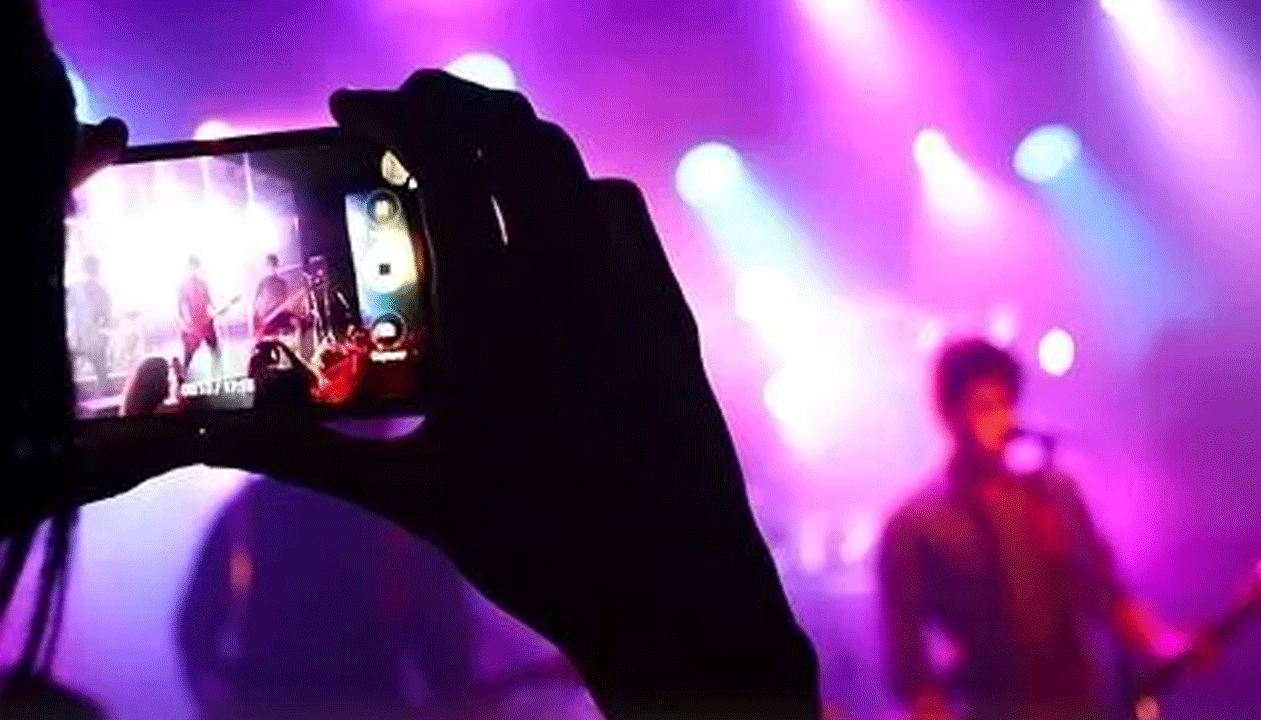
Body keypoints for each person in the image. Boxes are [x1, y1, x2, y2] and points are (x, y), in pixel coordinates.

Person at [10, 5, 821, 720]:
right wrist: (708, 666)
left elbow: (433, 656)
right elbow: (202, 631)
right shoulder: (263, 520)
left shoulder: (298, 519)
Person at [877, 338, 1197, 720]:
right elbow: (910, 665)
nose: (1002, 420)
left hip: (1081, 702)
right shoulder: (914, 526)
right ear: (949, 414)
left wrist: (1162, 643)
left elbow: (1107, 592)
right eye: (984, 407)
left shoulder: (1054, 494)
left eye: (1006, 404)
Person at [177, 478, 475, 720]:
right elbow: (447, 655)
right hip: (366, 702)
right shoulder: (397, 520)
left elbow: (196, 631)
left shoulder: (246, 512)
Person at [67, 255, 113, 398]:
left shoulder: (98, 290)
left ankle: (102, 397)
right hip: (80, 337)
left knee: (100, 371)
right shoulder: (75, 288)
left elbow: (106, 317)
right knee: (100, 371)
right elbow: (106, 318)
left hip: (88, 338)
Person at [179, 255, 224, 375]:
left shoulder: (203, 284)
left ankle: (217, 377)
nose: (194, 271)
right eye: (191, 268)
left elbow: (210, 303)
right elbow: (180, 307)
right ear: (188, 269)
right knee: (188, 357)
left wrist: (217, 310)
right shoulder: (183, 286)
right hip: (193, 326)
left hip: (207, 323)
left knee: (216, 351)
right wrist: (185, 323)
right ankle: (182, 379)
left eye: (195, 268)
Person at [251, 253, 293, 340]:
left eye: (274, 264)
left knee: (298, 323)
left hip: (279, 315)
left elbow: (285, 301)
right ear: (267, 266)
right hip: (266, 316)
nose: (273, 267)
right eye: (271, 265)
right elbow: (255, 302)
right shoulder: (262, 282)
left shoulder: (282, 282)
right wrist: (255, 322)